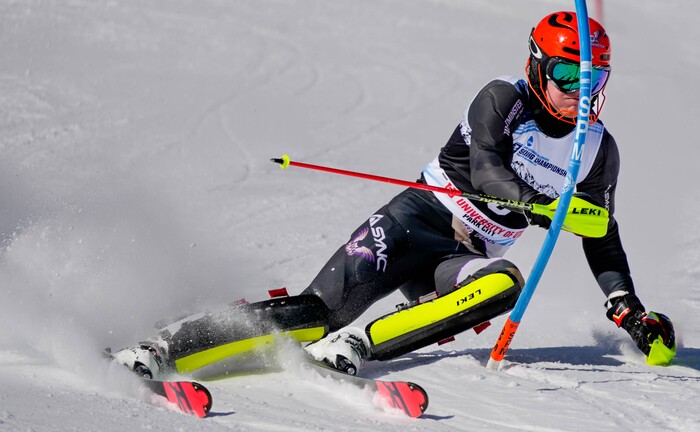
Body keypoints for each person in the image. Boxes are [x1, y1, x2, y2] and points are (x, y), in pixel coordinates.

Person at [112, 11, 675, 378]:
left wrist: (631, 313)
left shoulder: (597, 149)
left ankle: (360, 345)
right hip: (417, 217)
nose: (581, 94)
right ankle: (162, 345)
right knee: (315, 313)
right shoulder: (503, 99)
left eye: (594, 80)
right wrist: (544, 204)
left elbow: (603, 235)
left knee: (502, 283)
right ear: (537, 65)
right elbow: (484, 171)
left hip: (463, 256)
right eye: (568, 77)